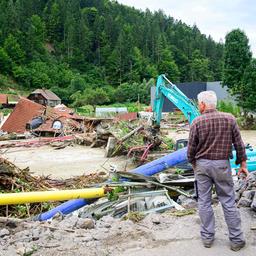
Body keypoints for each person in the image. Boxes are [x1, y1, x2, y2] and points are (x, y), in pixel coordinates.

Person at [187, 91, 248, 251]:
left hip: (202, 165)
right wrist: (243, 165)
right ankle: (236, 240)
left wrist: (195, 165)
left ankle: (207, 238)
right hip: (222, 165)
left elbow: (190, 150)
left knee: (204, 202)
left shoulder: (196, 122)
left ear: (202, 104)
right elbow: (239, 144)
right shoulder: (229, 119)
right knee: (228, 201)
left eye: (198, 104)